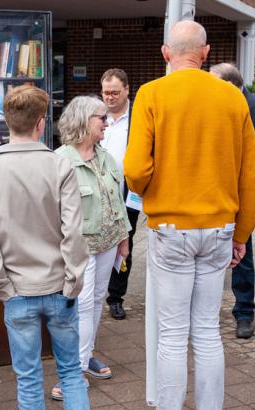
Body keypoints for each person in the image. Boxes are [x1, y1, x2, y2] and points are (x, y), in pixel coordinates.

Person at [126, 20, 255, 410]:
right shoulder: (232, 97)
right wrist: (243, 233)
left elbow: (135, 170)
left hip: (171, 226)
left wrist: (153, 189)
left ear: (166, 53)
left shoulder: (152, 94)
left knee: (171, 335)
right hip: (219, 226)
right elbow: (250, 174)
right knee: (207, 332)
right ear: (205, 53)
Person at [0, 85, 103, 410]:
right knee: (71, 373)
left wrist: (1, 284)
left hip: (18, 290)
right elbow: (73, 232)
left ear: (7, 122)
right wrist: (74, 279)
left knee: (28, 379)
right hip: (59, 286)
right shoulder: (59, 166)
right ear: (42, 123)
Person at [51, 95, 130, 399]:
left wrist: (124, 237)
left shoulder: (105, 157)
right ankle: (73, 372)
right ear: (84, 121)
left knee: (97, 300)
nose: (107, 123)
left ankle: (85, 357)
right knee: (81, 305)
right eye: (102, 118)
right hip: (78, 247)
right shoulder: (60, 160)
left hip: (108, 241)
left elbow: (117, 201)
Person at [209, 63, 255, 340]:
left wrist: (252, 203)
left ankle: (244, 312)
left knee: (242, 255)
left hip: (239, 197)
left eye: (214, 81)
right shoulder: (215, 103)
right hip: (215, 194)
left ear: (230, 84)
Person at [100, 68, 139, 321]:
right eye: (106, 92)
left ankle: (115, 297)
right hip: (97, 192)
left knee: (124, 243)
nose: (110, 97)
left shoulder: (137, 118)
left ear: (126, 90)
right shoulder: (96, 115)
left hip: (128, 192)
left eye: (115, 92)